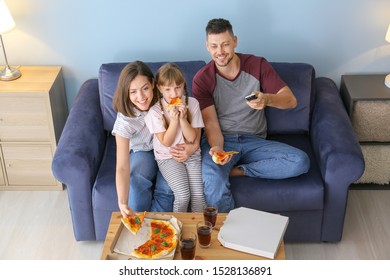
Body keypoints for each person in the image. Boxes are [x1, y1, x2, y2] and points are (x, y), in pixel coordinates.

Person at [192, 18, 310, 213]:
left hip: (255, 141)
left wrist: (267, 100)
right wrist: (218, 150)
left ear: (235, 41)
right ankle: (228, 233)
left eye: (225, 44)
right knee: (212, 177)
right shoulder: (202, 79)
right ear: (207, 46)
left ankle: (238, 171)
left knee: (300, 161)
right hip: (224, 139)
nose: (220, 51)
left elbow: (290, 100)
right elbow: (211, 123)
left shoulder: (257, 65)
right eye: (214, 46)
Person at [112, 61, 188, 218]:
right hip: (143, 151)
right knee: (137, 179)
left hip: (168, 147)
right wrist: (122, 202)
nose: (141, 97)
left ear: (153, 84)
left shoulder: (165, 98)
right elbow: (122, 167)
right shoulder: (125, 121)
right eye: (133, 92)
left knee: (168, 188)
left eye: (145, 88)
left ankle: (158, 224)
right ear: (126, 92)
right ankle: (141, 222)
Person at [145, 63, 206, 213]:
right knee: (183, 195)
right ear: (159, 88)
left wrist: (183, 119)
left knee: (199, 196)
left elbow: (192, 138)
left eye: (178, 87)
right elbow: (166, 142)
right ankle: (178, 229)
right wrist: (173, 120)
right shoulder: (155, 111)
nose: (174, 94)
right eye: (168, 89)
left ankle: (199, 229)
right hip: (167, 157)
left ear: (183, 84)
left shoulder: (192, 103)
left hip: (192, 155)